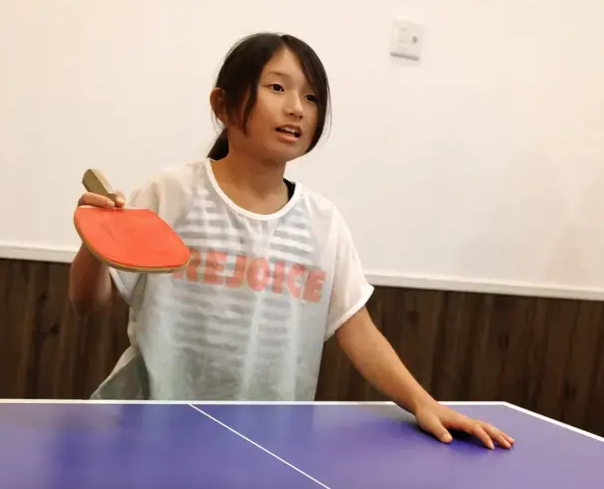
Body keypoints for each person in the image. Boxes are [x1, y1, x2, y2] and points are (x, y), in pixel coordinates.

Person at [68, 32, 514, 450]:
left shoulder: (323, 222)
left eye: (311, 97)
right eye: (277, 88)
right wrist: (95, 241)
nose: (297, 108)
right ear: (223, 105)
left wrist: (423, 402)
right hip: (151, 433)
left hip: (266, 440)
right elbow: (88, 302)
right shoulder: (170, 194)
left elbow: (358, 332)